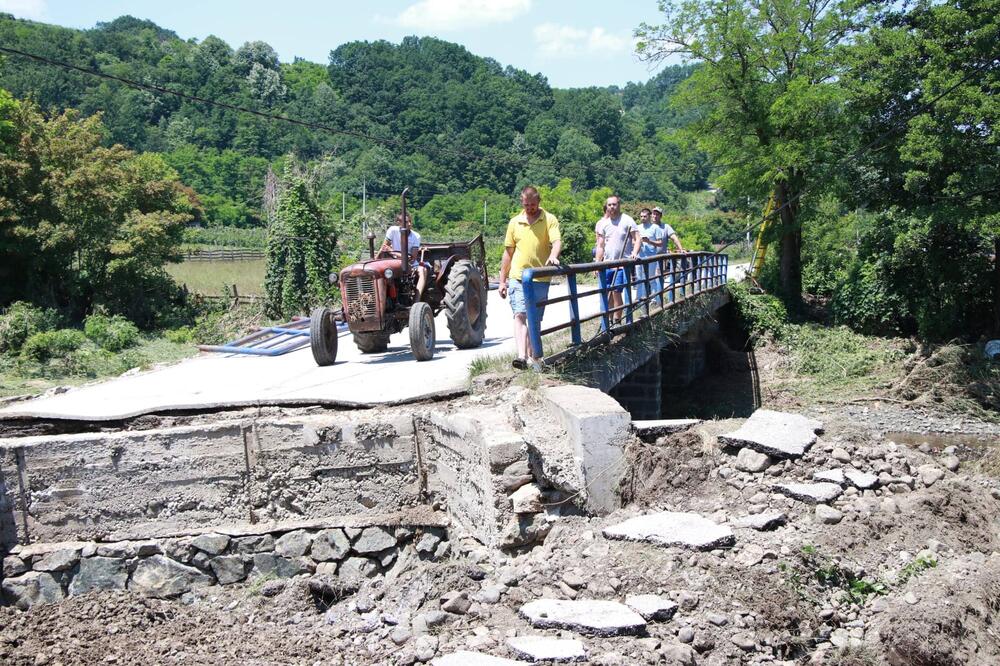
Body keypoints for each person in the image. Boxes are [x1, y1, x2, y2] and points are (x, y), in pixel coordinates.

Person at [499, 186, 562, 371]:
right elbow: (508, 252)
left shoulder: (549, 219)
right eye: (526, 205)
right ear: (522, 202)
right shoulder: (514, 222)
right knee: (520, 314)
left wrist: (553, 255)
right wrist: (502, 280)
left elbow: (556, 241)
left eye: (533, 205)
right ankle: (521, 356)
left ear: (539, 201)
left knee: (534, 320)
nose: (529, 208)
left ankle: (535, 358)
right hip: (518, 277)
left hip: (540, 278)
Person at [594, 195, 639, 324]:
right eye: (609, 205)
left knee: (616, 291)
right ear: (606, 207)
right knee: (607, 292)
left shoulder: (627, 220)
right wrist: (597, 262)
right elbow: (600, 245)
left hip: (621, 264)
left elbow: (637, 239)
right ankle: (607, 320)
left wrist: (634, 253)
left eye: (614, 204)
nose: (612, 207)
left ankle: (617, 319)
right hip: (607, 264)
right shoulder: (604, 224)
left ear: (619, 205)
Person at [379, 212, 428, 300]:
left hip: (410, 264)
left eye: (410, 221)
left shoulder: (416, 236)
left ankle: (416, 300)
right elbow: (383, 248)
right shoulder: (392, 230)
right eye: (406, 222)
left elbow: (412, 258)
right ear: (399, 222)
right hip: (393, 262)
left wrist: (392, 252)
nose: (409, 224)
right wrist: (376, 259)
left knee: (422, 270)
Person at [652, 206, 685, 301]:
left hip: (660, 257)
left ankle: (658, 300)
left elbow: (674, 237)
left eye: (657, 214)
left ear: (660, 216)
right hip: (647, 256)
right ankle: (648, 301)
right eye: (653, 214)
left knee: (658, 278)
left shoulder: (665, 227)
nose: (654, 216)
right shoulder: (648, 226)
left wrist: (681, 249)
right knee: (647, 279)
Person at [636, 207, 665, 306]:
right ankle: (639, 300)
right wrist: (637, 243)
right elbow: (632, 241)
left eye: (645, 216)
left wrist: (649, 241)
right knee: (639, 279)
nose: (642, 218)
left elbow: (660, 243)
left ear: (649, 216)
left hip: (651, 258)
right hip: (639, 257)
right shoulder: (637, 227)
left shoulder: (655, 228)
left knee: (651, 279)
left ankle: (653, 299)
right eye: (641, 216)